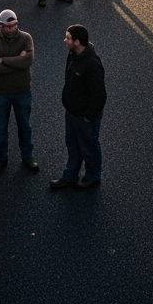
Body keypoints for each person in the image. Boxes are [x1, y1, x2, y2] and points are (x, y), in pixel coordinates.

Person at [50, 25, 106, 189]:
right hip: (72, 112)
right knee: (73, 146)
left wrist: (89, 116)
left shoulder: (92, 64)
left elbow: (99, 95)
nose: (65, 40)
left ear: (77, 41)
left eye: (68, 38)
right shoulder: (73, 55)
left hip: (84, 116)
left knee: (89, 146)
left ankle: (93, 176)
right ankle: (70, 176)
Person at [0, 10, 39, 173]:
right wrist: (18, 62)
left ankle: (27, 158)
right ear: (0, 25)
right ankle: (1, 159)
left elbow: (28, 60)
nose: (11, 29)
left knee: (25, 127)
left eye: (13, 25)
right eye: (7, 26)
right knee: (1, 128)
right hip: (0, 92)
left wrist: (4, 61)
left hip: (22, 91)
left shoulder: (26, 38)